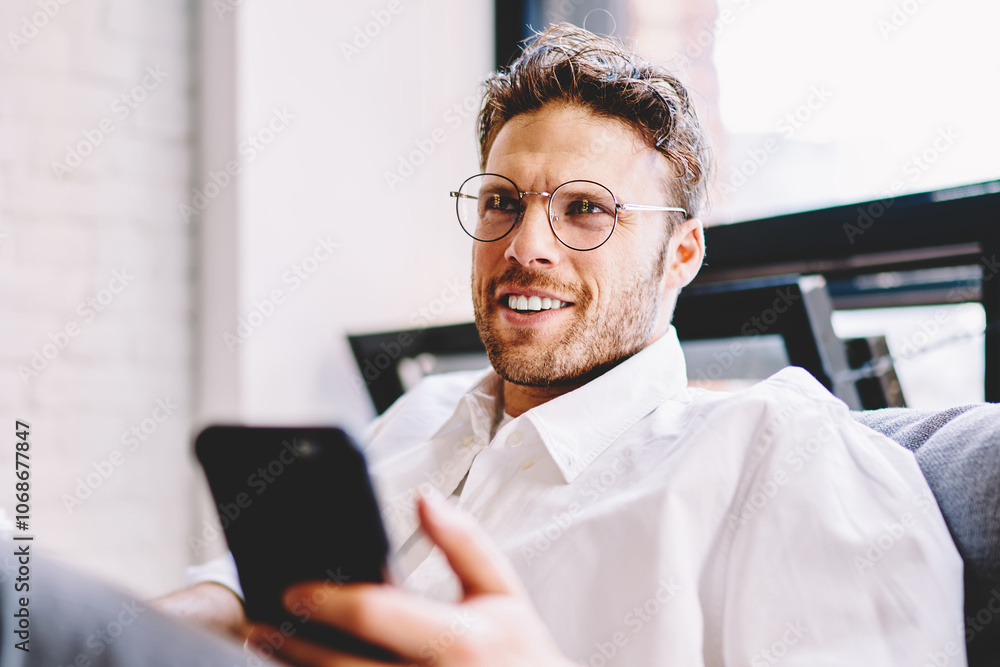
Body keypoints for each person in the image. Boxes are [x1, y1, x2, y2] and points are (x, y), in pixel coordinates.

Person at [159, 24, 966, 665]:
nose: (525, 246)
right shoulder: (420, 415)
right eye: (502, 201)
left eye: (585, 209)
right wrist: (178, 615)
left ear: (682, 254)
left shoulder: (783, 452)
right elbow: (258, 588)